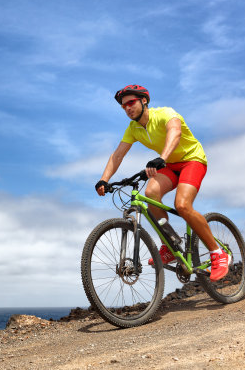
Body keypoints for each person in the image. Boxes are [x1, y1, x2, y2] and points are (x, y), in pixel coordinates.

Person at [94, 84, 230, 282]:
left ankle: (218, 253)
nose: (127, 108)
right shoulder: (133, 129)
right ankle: (169, 243)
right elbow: (117, 155)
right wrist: (104, 179)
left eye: (131, 103)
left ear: (144, 101)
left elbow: (175, 132)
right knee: (150, 194)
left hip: (192, 160)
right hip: (170, 165)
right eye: (123, 106)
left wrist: (162, 158)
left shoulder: (165, 113)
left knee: (182, 205)